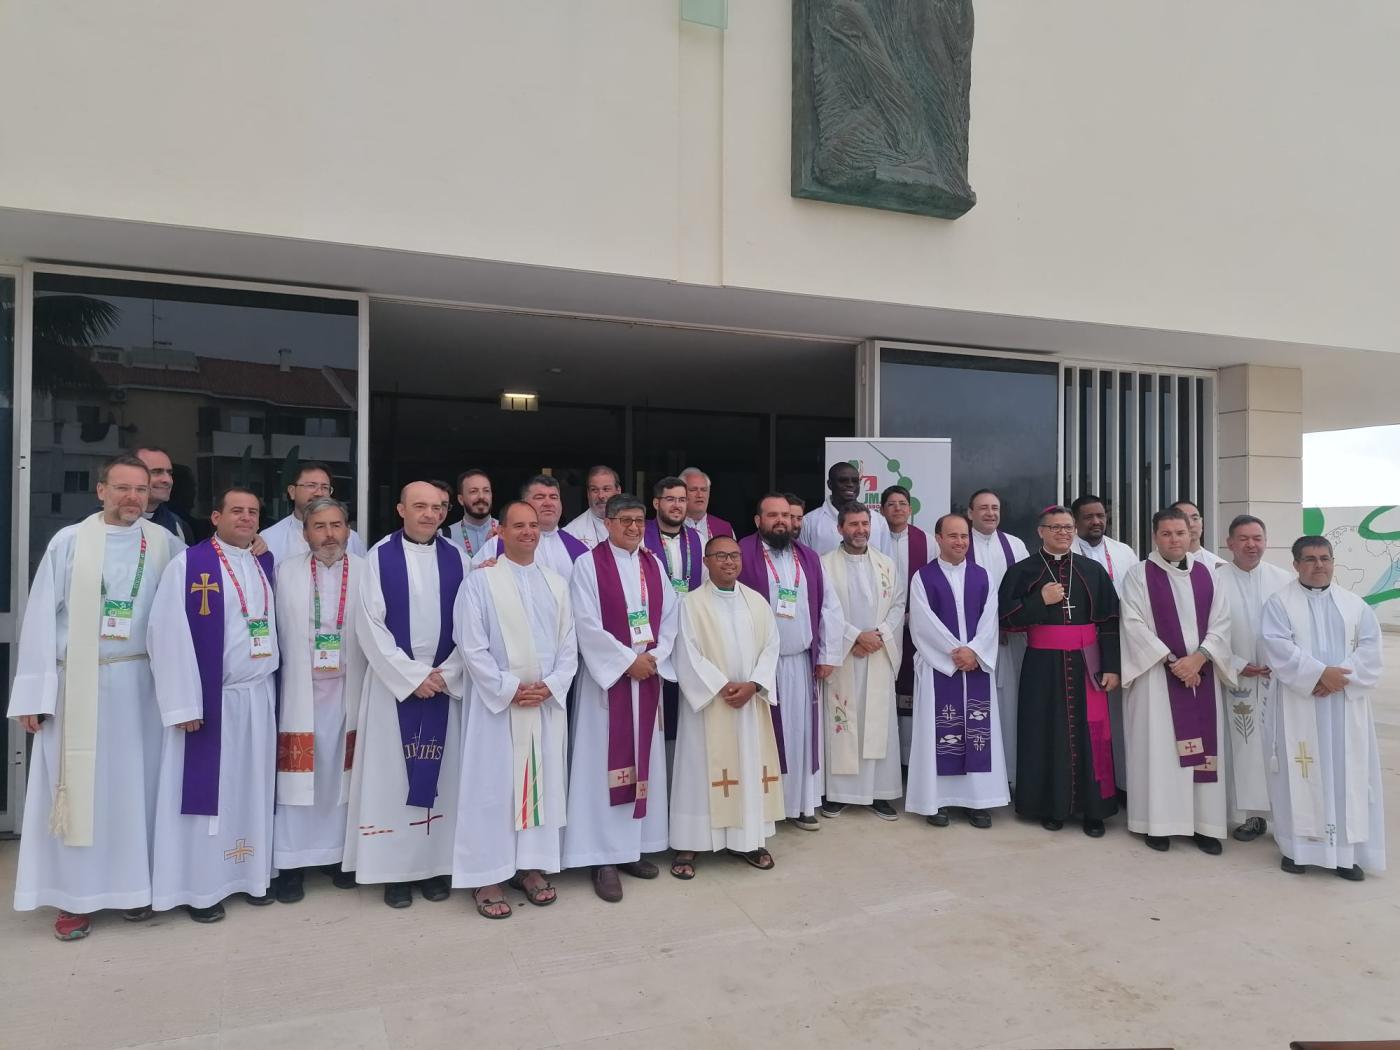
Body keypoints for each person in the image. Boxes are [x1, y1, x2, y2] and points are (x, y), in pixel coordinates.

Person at [10, 455, 182, 940]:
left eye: (141, 490)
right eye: (122, 488)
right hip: (78, 688)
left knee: (136, 793)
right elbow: (41, 618)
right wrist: (35, 695)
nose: (133, 498)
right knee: (80, 791)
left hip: (142, 689)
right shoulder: (69, 542)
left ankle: (134, 891)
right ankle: (75, 899)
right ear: (101, 490)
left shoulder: (165, 543)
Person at [147, 487, 279, 922]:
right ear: (216, 517)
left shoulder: (262, 562)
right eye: (236, 511)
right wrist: (184, 704)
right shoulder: (190, 564)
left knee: (252, 789)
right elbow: (166, 635)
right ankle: (201, 888)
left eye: (253, 512)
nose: (246, 518)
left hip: (257, 697)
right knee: (209, 798)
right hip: (211, 700)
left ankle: (251, 875)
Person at [343, 481, 469, 909]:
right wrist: (412, 676)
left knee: (443, 780)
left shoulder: (459, 559)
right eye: (420, 506)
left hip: (444, 685)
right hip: (394, 688)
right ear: (401, 509)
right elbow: (369, 626)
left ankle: (435, 867)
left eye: (438, 507)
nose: (430, 514)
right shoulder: (377, 558)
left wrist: (446, 672)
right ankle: (394, 872)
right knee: (392, 780)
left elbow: (470, 625)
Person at [451, 501, 577, 919]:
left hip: (543, 705)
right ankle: (487, 875)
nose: (527, 532)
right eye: (517, 525)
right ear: (499, 532)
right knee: (493, 790)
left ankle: (530, 867)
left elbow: (568, 645)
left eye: (532, 526)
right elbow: (471, 646)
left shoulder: (557, 583)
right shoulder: (480, 583)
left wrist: (552, 685)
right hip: (498, 708)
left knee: (540, 786)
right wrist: (508, 688)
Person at [561, 494, 679, 903]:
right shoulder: (588, 565)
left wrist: (655, 657)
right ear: (607, 523)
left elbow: (670, 618)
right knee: (601, 767)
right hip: (607, 686)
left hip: (646, 679)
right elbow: (585, 624)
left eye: (638, 520)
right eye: (624, 520)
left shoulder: (653, 564)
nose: (633, 527)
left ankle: (631, 849)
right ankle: (602, 857)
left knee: (645, 762)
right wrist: (627, 661)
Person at [1261, 536, 1385, 880]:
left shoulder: (1355, 605)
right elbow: (1276, 646)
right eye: (1310, 559)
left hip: (1345, 707)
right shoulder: (1279, 602)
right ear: (1296, 564)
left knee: (1347, 774)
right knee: (1298, 772)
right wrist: (1318, 675)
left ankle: (1347, 855)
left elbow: (1371, 650)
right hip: (1299, 704)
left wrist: (1335, 679)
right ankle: (1297, 850)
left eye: (1325, 558)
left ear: (1333, 561)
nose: (1319, 565)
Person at [1118, 508, 1236, 854]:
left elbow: (1223, 622)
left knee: (1203, 750)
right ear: (1155, 536)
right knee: (1159, 750)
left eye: (1180, 533)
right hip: (1156, 677)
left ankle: (1204, 825)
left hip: (1202, 673)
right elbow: (1132, 623)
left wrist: (1199, 657)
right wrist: (1173, 661)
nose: (1174, 540)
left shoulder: (1211, 574)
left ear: (1191, 534)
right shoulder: (1139, 575)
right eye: (1167, 534)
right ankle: (1158, 823)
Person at [999, 505, 1121, 836]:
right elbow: (1005, 619)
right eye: (1055, 528)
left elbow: (1110, 621)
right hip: (1042, 666)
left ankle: (1093, 811)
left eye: (1068, 528)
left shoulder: (1092, 570)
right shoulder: (1023, 571)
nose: (1063, 533)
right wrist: (1040, 601)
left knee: (1091, 736)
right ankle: (1048, 807)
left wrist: (1111, 667)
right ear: (1041, 531)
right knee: (1043, 733)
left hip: (1087, 664)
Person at [671, 536, 783, 879]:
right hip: (709, 705)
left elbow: (771, 646)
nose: (729, 562)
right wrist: (720, 686)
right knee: (700, 772)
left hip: (748, 704)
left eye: (734, 556)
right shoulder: (689, 604)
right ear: (706, 561)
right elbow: (686, 652)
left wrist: (753, 685)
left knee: (749, 767)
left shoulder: (757, 601)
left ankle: (748, 838)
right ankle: (690, 842)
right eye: (721, 556)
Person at [270, 497, 365, 902]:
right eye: (320, 526)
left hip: (349, 688)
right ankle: (291, 863)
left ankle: (337, 856)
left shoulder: (366, 572)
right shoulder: (284, 573)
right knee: (298, 777)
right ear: (305, 532)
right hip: (300, 691)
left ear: (348, 529)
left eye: (337, 525)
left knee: (338, 774)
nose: (329, 535)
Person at [737, 494, 842, 831]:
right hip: (759, 668)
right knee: (765, 738)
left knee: (799, 735)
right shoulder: (741, 555)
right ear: (758, 521)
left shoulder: (809, 559)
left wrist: (827, 655)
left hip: (800, 662)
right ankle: (765, 806)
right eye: (772, 515)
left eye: (786, 515)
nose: (781, 521)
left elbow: (829, 609)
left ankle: (801, 803)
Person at [906, 514, 1008, 829]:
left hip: (976, 665)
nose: (960, 542)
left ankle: (978, 802)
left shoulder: (984, 576)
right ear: (938, 538)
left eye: (964, 536)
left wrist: (975, 651)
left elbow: (991, 619)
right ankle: (936, 801)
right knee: (939, 730)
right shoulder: (923, 577)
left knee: (979, 733)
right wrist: (957, 654)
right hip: (941, 671)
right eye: (953, 536)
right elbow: (923, 624)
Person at [819, 504, 906, 820]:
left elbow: (898, 604)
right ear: (840, 528)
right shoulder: (825, 565)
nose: (860, 530)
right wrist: (854, 636)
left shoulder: (886, 564)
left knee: (877, 723)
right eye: (853, 524)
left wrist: (877, 635)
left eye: (865, 523)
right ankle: (840, 794)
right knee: (843, 720)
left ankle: (879, 793)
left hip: (877, 653)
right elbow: (823, 610)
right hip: (843, 657)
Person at [1218, 514, 1292, 842]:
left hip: (1277, 681)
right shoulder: (1214, 581)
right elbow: (1206, 633)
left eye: (1257, 538)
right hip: (1235, 680)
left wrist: (1284, 662)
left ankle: (1285, 814)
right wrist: (1235, 663)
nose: (1252, 545)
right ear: (1230, 543)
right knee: (1243, 748)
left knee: (1277, 747)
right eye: (1244, 539)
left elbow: (1295, 628)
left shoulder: (1284, 580)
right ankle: (1251, 816)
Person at [1071, 493, 1138, 789]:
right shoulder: (1064, 551)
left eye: (1101, 515)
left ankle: (1121, 783)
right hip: (1079, 645)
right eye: (1089, 517)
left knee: (1120, 717)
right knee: (1084, 717)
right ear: (1075, 522)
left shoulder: (1124, 552)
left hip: (1119, 643)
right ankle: (1088, 782)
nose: (1097, 521)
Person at [965, 489, 1030, 786]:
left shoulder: (1014, 546)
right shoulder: (959, 543)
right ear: (970, 513)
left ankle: (1011, 777)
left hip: (1009, 642)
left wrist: (1007, 625)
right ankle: (975, 777)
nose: (990, 513)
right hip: (970, 645)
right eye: (983, 508)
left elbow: (1026, 592)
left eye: (995, 508)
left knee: (1008, 707)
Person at [646, 476, 707, 777]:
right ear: (657, 503)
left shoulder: (695, 539)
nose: (677, 505)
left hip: (686, 634)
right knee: (655, 712)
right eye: (670, 499)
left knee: (683, 709)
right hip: (651, 636)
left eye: (682, 500)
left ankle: (680, 780)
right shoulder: (640, 534)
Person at [880, 484, 928, 769]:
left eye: (902, 503)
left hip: (913, 626)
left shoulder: (926, 541)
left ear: (911, 509)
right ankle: (887, 760)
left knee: (909, 689)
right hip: (881, 626)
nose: (898, 508)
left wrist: (916, 615)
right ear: (882, 509)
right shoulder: (873, 537)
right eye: (891, 503)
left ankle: (909, 759)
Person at [472, 475, 588, 577]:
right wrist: (480, 571)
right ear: (524, 503)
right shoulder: (499, 542)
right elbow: (473, 582)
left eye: (554, 497)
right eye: (540, 497)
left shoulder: (578, 548)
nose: (548, 503)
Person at [259, 462, 367, 564]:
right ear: (292, 492)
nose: (319, 493)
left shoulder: (351, 538)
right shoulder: (270, 538)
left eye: (325, 487)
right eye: (311, 485)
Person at [801, 462, 893, 557]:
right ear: (830, 484)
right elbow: (804, 564)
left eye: (855, 481)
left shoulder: (878, 521)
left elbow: (887, 564)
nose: (850, 484)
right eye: (843, 480)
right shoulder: (810, 522)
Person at [133, 446, 190, 543]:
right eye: (156, 472)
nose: (167, 480)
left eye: (169, 473)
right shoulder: (102, 522)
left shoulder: (178, 525)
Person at [564, 465, 622, 549]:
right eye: (594, 490)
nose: (601, 496)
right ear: (588, 494)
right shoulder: (572, 533)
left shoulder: (635, 523)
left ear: (618, 491)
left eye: (606, 489)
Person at [447, 468, 497, 561]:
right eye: (473, 491)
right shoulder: (445, 536)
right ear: (461, 499)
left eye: (486, 491)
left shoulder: (507, 530)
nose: (481, 496)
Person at [679, 467, 735, 546]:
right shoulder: (669, 525)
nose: (700, 495)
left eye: (704, 490)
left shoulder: (724, 528)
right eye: (693, 490)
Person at [1171, 499, 1224, 569]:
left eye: (1195, 518)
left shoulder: (1217, 566)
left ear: (1201, 522)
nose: (1191, 524)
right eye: (1183, 518)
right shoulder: (1155, 565)